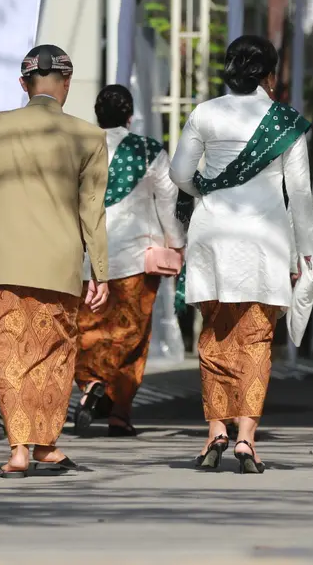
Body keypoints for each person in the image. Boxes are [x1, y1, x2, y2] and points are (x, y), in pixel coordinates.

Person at [0, 44, 110, 478]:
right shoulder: (89, 137)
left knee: (10, 355)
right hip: (60, 263)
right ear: (66, 84)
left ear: (24, 84)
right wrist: (100, 271)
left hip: (7, 263)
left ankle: (18, 450)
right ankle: (46, 445)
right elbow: (92, 211)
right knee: (54, 354)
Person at [170, 35, 313, 475]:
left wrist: (207, 190)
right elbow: (300, 194)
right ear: (270, 76)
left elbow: (179, 173)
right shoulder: (285, 122)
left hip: (212, 235)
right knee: (255, 339)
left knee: (215, 334)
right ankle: (246, 439)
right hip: (264, 241)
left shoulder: (205, 112)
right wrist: (308, 251)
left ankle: (216, 430)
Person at [73, 85, 185, 438]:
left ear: (97, 115)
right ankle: (120, 414)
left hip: (85, 258)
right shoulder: (148, 150)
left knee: (87, 329)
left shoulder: (78, 148)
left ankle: (91, 382)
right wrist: (177, 244)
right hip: (137, 259)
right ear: (129, 116)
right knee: (131, 336)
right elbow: (167, 202)